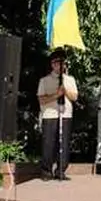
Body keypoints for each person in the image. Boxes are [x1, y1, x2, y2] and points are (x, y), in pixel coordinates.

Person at [36, 50, 78, 181]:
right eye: (57, 63)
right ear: (52, 64)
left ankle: (61, 170)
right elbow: (41, 99)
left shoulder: (69, 80)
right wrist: (56, 95)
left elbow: (75, 97)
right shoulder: (44, 80)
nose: (60, 66)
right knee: (48, 144)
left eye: (62, 63)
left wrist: (65, 91)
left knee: (64, 144)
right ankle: (46, 171)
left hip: (65, 114)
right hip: (50, 114)